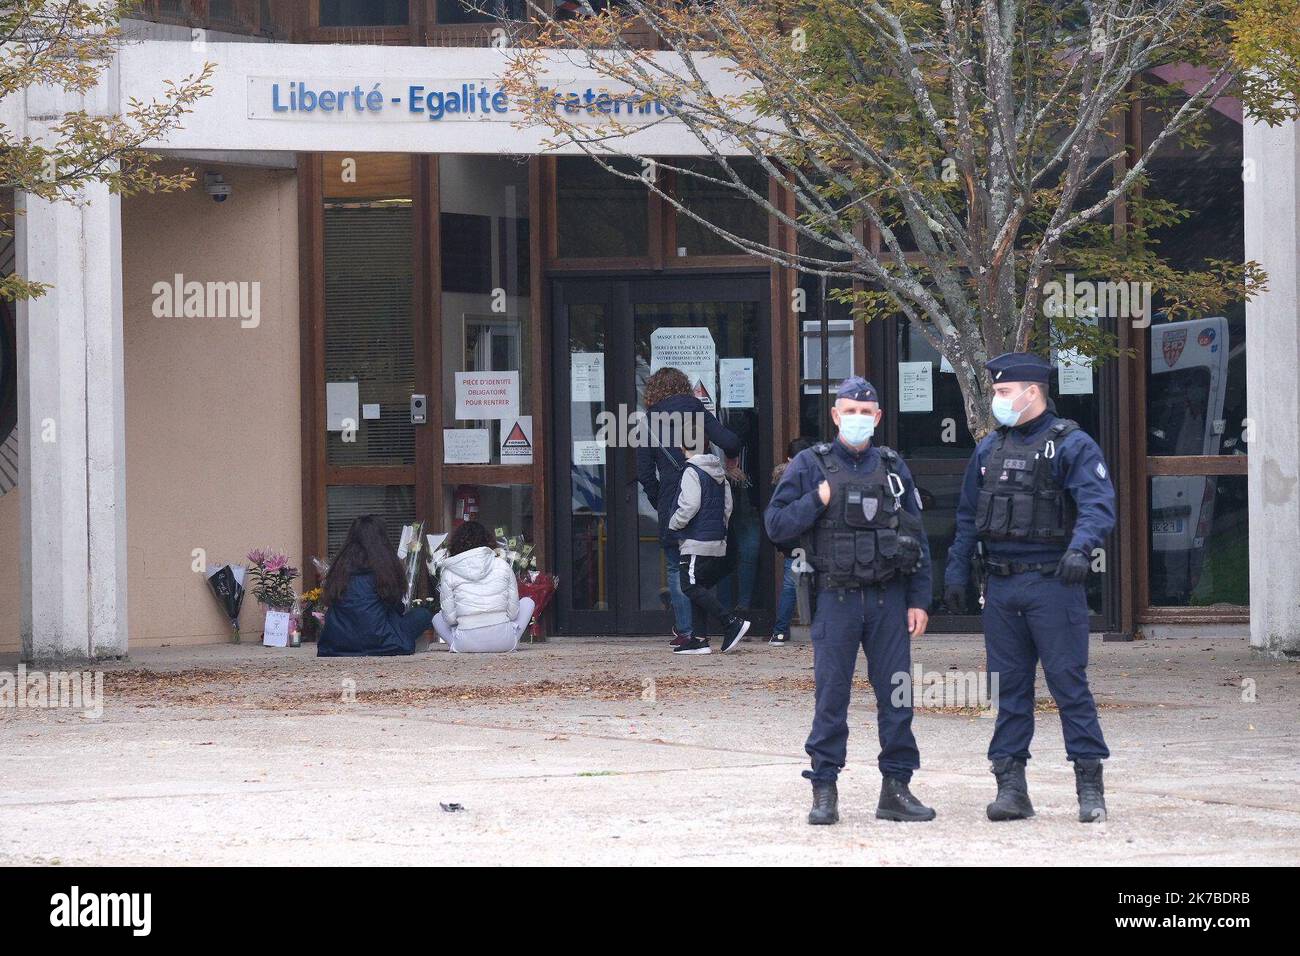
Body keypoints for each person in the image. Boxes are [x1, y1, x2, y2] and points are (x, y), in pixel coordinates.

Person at [943, 352, 1115, 824]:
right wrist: (956, 571)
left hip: (1053, 584)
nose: (996, 400)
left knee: (1068, 685)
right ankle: (1011, 788)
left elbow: (1098, 505)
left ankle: (1089, 787)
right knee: (1009, 690)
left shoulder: (1071, 444)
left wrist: (1082, 549)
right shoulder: (988, 449)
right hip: (1000, 587)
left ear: (1032, 392)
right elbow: (966, 518)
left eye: (1002, 393)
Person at [765, 377, 935, 825]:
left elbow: (917, 537)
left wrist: (919, 600)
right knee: (831, 697)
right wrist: (817, 500)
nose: (858, 419)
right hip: (836, 600)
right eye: (849, 412)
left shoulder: (894, 467)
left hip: (888, 599)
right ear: (836, 416)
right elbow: (776, 525)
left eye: (867, 412)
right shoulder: (809, 464)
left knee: (897, 698)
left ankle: (896, 790)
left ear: (877, 418)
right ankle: (825, 790)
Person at [637, 366, 741, 648]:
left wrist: (659, 499)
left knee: (676, 566)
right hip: (706, 497)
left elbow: (644, 471)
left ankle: (688, 632)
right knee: (702, 565)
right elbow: (730, 441)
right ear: (683, 387)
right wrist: (731, 461)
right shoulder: (697, 410)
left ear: (655, 390)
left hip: (672, 497)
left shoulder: (648, 421)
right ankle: (701, 632)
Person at [667, 432, 750, 654]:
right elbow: (727, 507)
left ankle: (731, 622)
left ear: (682, 445)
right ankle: (699, 639)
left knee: (690, 585)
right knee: (699, 587)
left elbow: (690, 504)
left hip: (695, 539)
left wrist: (674, 523)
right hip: (715, 538)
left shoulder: (691, 471)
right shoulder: (718, 472)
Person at [318, 515, 433, 657]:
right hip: (383, 641)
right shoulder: (385, 569)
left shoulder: (338, 569)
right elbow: (396, 606)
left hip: (337, 643)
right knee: (423, 614)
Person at [433, 521, 535, 654]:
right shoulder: (503, 565)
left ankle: (456, 645)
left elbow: (450, 619)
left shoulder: (449, 572)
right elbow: (513, 613)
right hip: (504, 641)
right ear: (487, 541)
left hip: (466, 643)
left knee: (437, 618)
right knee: (528, 602)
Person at [768, 436, 815, 646]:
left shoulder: (781, 481)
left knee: (790, 586)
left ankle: (779, 632)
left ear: (788, 457)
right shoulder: (817, 477)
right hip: (814, 540)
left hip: (792, 543)